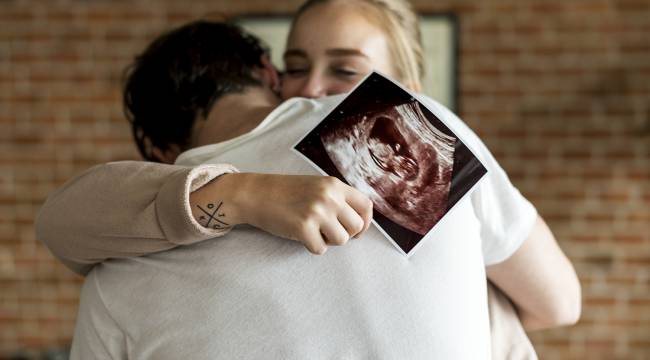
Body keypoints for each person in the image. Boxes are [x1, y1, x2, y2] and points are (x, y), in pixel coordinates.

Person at [36, 1, 580, 357]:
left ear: (156, 149)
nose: (316, 91)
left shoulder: (116, 270)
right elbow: (558, 303)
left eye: (345, 71)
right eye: (300, 66)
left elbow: (58, 225)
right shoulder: (385, 128)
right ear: (271, 76)